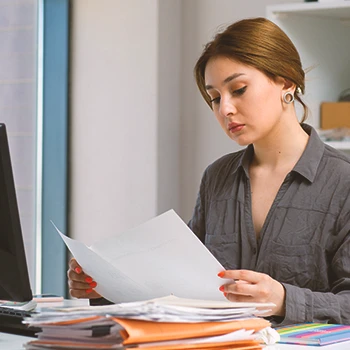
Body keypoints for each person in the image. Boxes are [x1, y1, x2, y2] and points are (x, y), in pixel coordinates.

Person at [67, 17, 350, 325]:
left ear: (286, 82)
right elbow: (178, 284)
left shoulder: (342, 182)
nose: (224, 109)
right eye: (214, 98)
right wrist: (102, 287)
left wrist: (283, 299)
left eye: (238, 89)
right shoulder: (217, 178)